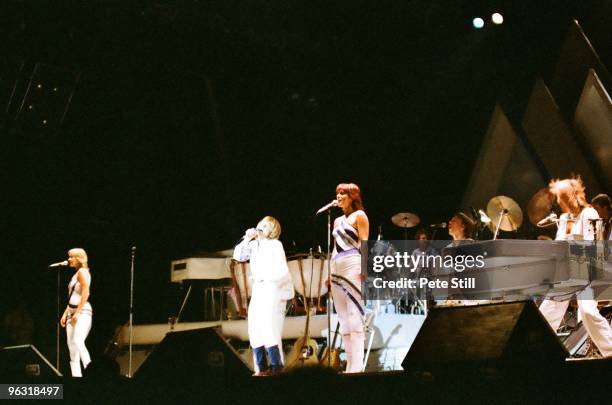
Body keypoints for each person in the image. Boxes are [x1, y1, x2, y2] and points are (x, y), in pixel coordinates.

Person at [539, 178, 612, 357]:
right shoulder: (564, 219)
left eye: (563, 197)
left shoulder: (589, 214)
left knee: (588, 312)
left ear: (573, 195)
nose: (560, 202)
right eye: (559, 198)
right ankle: (536, 351)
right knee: (547, 313)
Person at [233, 216, 293, 375]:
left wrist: (271, 282)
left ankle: (277, 367)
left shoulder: (275, 244)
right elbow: (238, 256)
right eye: (262, 224)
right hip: (258, 287)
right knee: (254, 326)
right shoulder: (253, 245)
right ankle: (262, 368)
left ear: (272, 232)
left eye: (267, 226)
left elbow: (281, 270)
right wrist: (247, 238)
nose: (262, 227)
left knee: (268, 326)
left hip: (272, 285)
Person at [330, 183, 369, 373]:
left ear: (352, 196)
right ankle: (350, 365)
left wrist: (365, 268)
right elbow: (333, 248)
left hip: (352, 263)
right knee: (343, 318)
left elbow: (364, 243)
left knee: (355, 316)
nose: (338, 197)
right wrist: (328, 273)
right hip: (336, 267)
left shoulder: (360, 216)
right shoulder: (336, 221)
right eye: (337, 194)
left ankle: (357, 366)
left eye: (342, 193)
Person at [60, 248, 93, 377]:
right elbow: (72, 296)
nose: (69, 260)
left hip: (82, 311)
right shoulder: (75, 274)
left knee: (78, 340)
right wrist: (65, 313)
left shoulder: (82, 272)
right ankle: (76, 376)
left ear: (79, 258)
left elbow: (86, 292)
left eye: (71, 257)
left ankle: (91, 369)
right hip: (71, 312)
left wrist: (78, 312)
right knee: (72, 348)